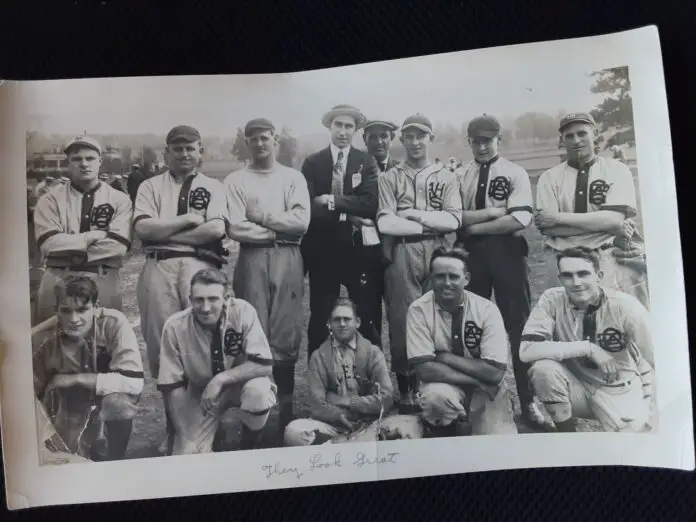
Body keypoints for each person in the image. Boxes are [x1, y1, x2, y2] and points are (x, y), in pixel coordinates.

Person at [133, 125, 227, 454]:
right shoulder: (149, 185)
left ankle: (207, 428)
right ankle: (174, 429)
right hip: (158, 266)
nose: (184, 154)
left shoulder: (213, 185)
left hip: (198, 266)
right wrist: (188, 219)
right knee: (162, 348)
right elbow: (143, 228)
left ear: (201, 151)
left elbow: (215, 228)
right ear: (167, 152)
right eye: (177, 148)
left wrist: (164, 233)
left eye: (191, 148)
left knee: (201, 344)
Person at [455, 114, 548, 431]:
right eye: (476, 141)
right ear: (469, 142)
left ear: (498, 139)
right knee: (474, 325)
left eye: (487, 140)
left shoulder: (514, 172)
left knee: (518, 326)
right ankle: (483, 402)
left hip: (507, 252)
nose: (481, 146)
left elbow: (519, 218)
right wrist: (484, 218)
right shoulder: (461, 173)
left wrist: (476, 226)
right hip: (473, 256)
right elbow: (455, 216)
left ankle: (529, 400)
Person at [224, 117, 310, 434]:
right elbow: (235, 227)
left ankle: (286, 412)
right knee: (252, 325)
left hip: (289, 257)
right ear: (247, 142)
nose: (260, 144)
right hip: (252, 258)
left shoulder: (293, 178)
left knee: (285, 330)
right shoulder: (236, 179)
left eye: (265, 138)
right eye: (253, 139)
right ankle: (253, 415)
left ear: (275, 139)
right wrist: (277, 231)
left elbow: (301, 222)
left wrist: (261, 217)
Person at [376, 113, 463, 413]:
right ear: (402, 140)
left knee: (442, 316)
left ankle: (442, 385)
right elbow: (386, 223)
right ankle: (407, 391)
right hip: (402, 251)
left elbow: (453, 219)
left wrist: (413, 215)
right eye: (409, 136)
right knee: (403, 320)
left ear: (430, 138)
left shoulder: (447, 176)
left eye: (420, 136)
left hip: (440, 251)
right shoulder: (389, 177)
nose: (415, 142)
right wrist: (429, 224)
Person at [519, 247, 654, 433]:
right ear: (559, 278)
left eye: (583, 274)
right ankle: (568, 439)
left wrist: (653, 406)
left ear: (598, 275)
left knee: (630, 446)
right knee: (543, 370)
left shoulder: (626, 306)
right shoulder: (552, 299)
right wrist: (588, 348)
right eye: (567, 275)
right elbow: (526, 350)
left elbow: (660, 360)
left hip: (619, 388)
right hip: (576, 386)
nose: (576, 282)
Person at [535, 112, 650, 309]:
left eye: (582, 133)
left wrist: (558, 218)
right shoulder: (549, 177)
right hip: (562, 259)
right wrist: (602, 224)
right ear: (562, 140)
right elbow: (551, 229)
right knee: (567, 322)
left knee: (616, 318)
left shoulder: (616, 169)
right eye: (569, 136)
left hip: (607, 257)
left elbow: (613, 220)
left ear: (594, 134)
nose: (576, 140)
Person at [157, 269, 277, 454]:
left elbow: (263, 364)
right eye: (199, 300)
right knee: (188, 456)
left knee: (258, 393)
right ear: (190, 299)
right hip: (201, 394)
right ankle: (209, 435)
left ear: (227, 297)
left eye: (213, 299)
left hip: (239, 384)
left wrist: (220, 379)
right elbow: (172, 386)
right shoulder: (174, 326)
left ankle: (249, 445)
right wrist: (185, 436)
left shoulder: (243, 311)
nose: (205, 308)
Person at [406, 247, 518, 436]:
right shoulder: (418, 310)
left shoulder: (487, 310)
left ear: (466, 279)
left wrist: (445, 357)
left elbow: (494, 373)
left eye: (454, 276)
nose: (447, 283)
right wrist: (477, 379)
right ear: (431, 278)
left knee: (498, 449)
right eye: (440, 276)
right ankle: (443, 431)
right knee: (436, 399)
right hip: (445, 386)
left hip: (487, 391)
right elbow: (425, 369)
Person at [300, 104, 381, 360]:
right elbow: (311, 205)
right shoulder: (313, 162)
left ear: (356, 130)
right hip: (323, 250)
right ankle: (319, 376)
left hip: (358, 252)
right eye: (339, 125)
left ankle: (371, 376)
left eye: (349, 127)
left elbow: (370, 203)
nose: (343, 132)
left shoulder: (365, 161)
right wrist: (349, 212)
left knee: (366, 314)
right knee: (321, 315)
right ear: (329, 127)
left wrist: (333, 202)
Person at [32, 276, 144, 461]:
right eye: (66, 311)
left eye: (82, 310)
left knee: (119, 404)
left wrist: (75, 378)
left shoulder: (114, 323)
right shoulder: (44, 338)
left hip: (108, 398)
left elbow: (133, 382)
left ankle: (116, 461)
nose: (74, 319)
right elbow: (29, 396)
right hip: (71, 404)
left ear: (96, 306)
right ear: (56, 311)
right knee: (69, 459)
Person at [284, 298, 423, 446]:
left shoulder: (373, 353)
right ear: (329, 324)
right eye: (337, 320)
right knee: (294, 431)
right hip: (334, 426)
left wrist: (348, 401)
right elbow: (317, 406)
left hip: (372, 424)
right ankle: (353, 446)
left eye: (347, 319)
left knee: (410, 426)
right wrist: (340, 416)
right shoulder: (318, 357)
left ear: (357, 322)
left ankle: (340, 448)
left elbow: (386, 398)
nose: (342, 324)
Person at [33, 136, 132, 324]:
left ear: (100, 161)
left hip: (102, 276)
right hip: (58, 275)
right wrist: (92, 236)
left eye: (90, 158)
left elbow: (118, 246)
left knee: (105, 340)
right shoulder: (50, 199)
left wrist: (69, 247)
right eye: (77, 159)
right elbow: (48, 244)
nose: (84, 164)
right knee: (52, 343)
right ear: (68, 163)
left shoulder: (119, 199)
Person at [362, 119, 400, 268]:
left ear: (392, 137)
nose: (379, 142)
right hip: (364, 246)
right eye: (373, 137)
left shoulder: (401, 170)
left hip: (396, 246)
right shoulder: (355, 168)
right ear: (364, 139)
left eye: (383, 136)